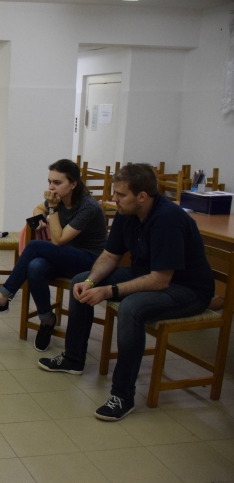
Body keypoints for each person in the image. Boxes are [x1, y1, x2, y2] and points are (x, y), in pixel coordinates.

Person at [38, 164, 214, 421]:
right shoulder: (126, 212)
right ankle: (73, 359)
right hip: (147, 274)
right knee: (80, 280)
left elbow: (160, 280)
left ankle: (123, 395)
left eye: (120, 194)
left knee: (132, 309)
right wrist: (91, 282)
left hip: (187, 289)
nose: (114, 199)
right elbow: (110, 256)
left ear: (142, 196)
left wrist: (109, 291)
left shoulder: (168, 219)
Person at [0, 159, 107, 350]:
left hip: (90, 262)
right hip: (67, 256)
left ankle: (2, 298)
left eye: (57, 183)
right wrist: (40, 218)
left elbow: (59, 240)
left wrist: (53, 209)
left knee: (34, 246)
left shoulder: (88, 207)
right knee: (34, 267)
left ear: (73, 184)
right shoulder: (59, 198)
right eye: (49, 182)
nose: (51, 187)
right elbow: (39, 208)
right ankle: (47, 320)